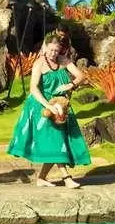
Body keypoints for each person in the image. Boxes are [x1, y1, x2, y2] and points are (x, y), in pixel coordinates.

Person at [6, 31, 91, 188]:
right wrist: (49, 106)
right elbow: (33, 89)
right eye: (51, 50)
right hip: (41, 105)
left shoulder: (63, 61)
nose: (53, 53)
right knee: (57, 140)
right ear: (45, 47)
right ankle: (67, 178)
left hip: (61, 106)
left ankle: (41, 177)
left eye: (56, 50)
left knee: (57, 142)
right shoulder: (39, 64)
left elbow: (81, 76)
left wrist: (71, 85)